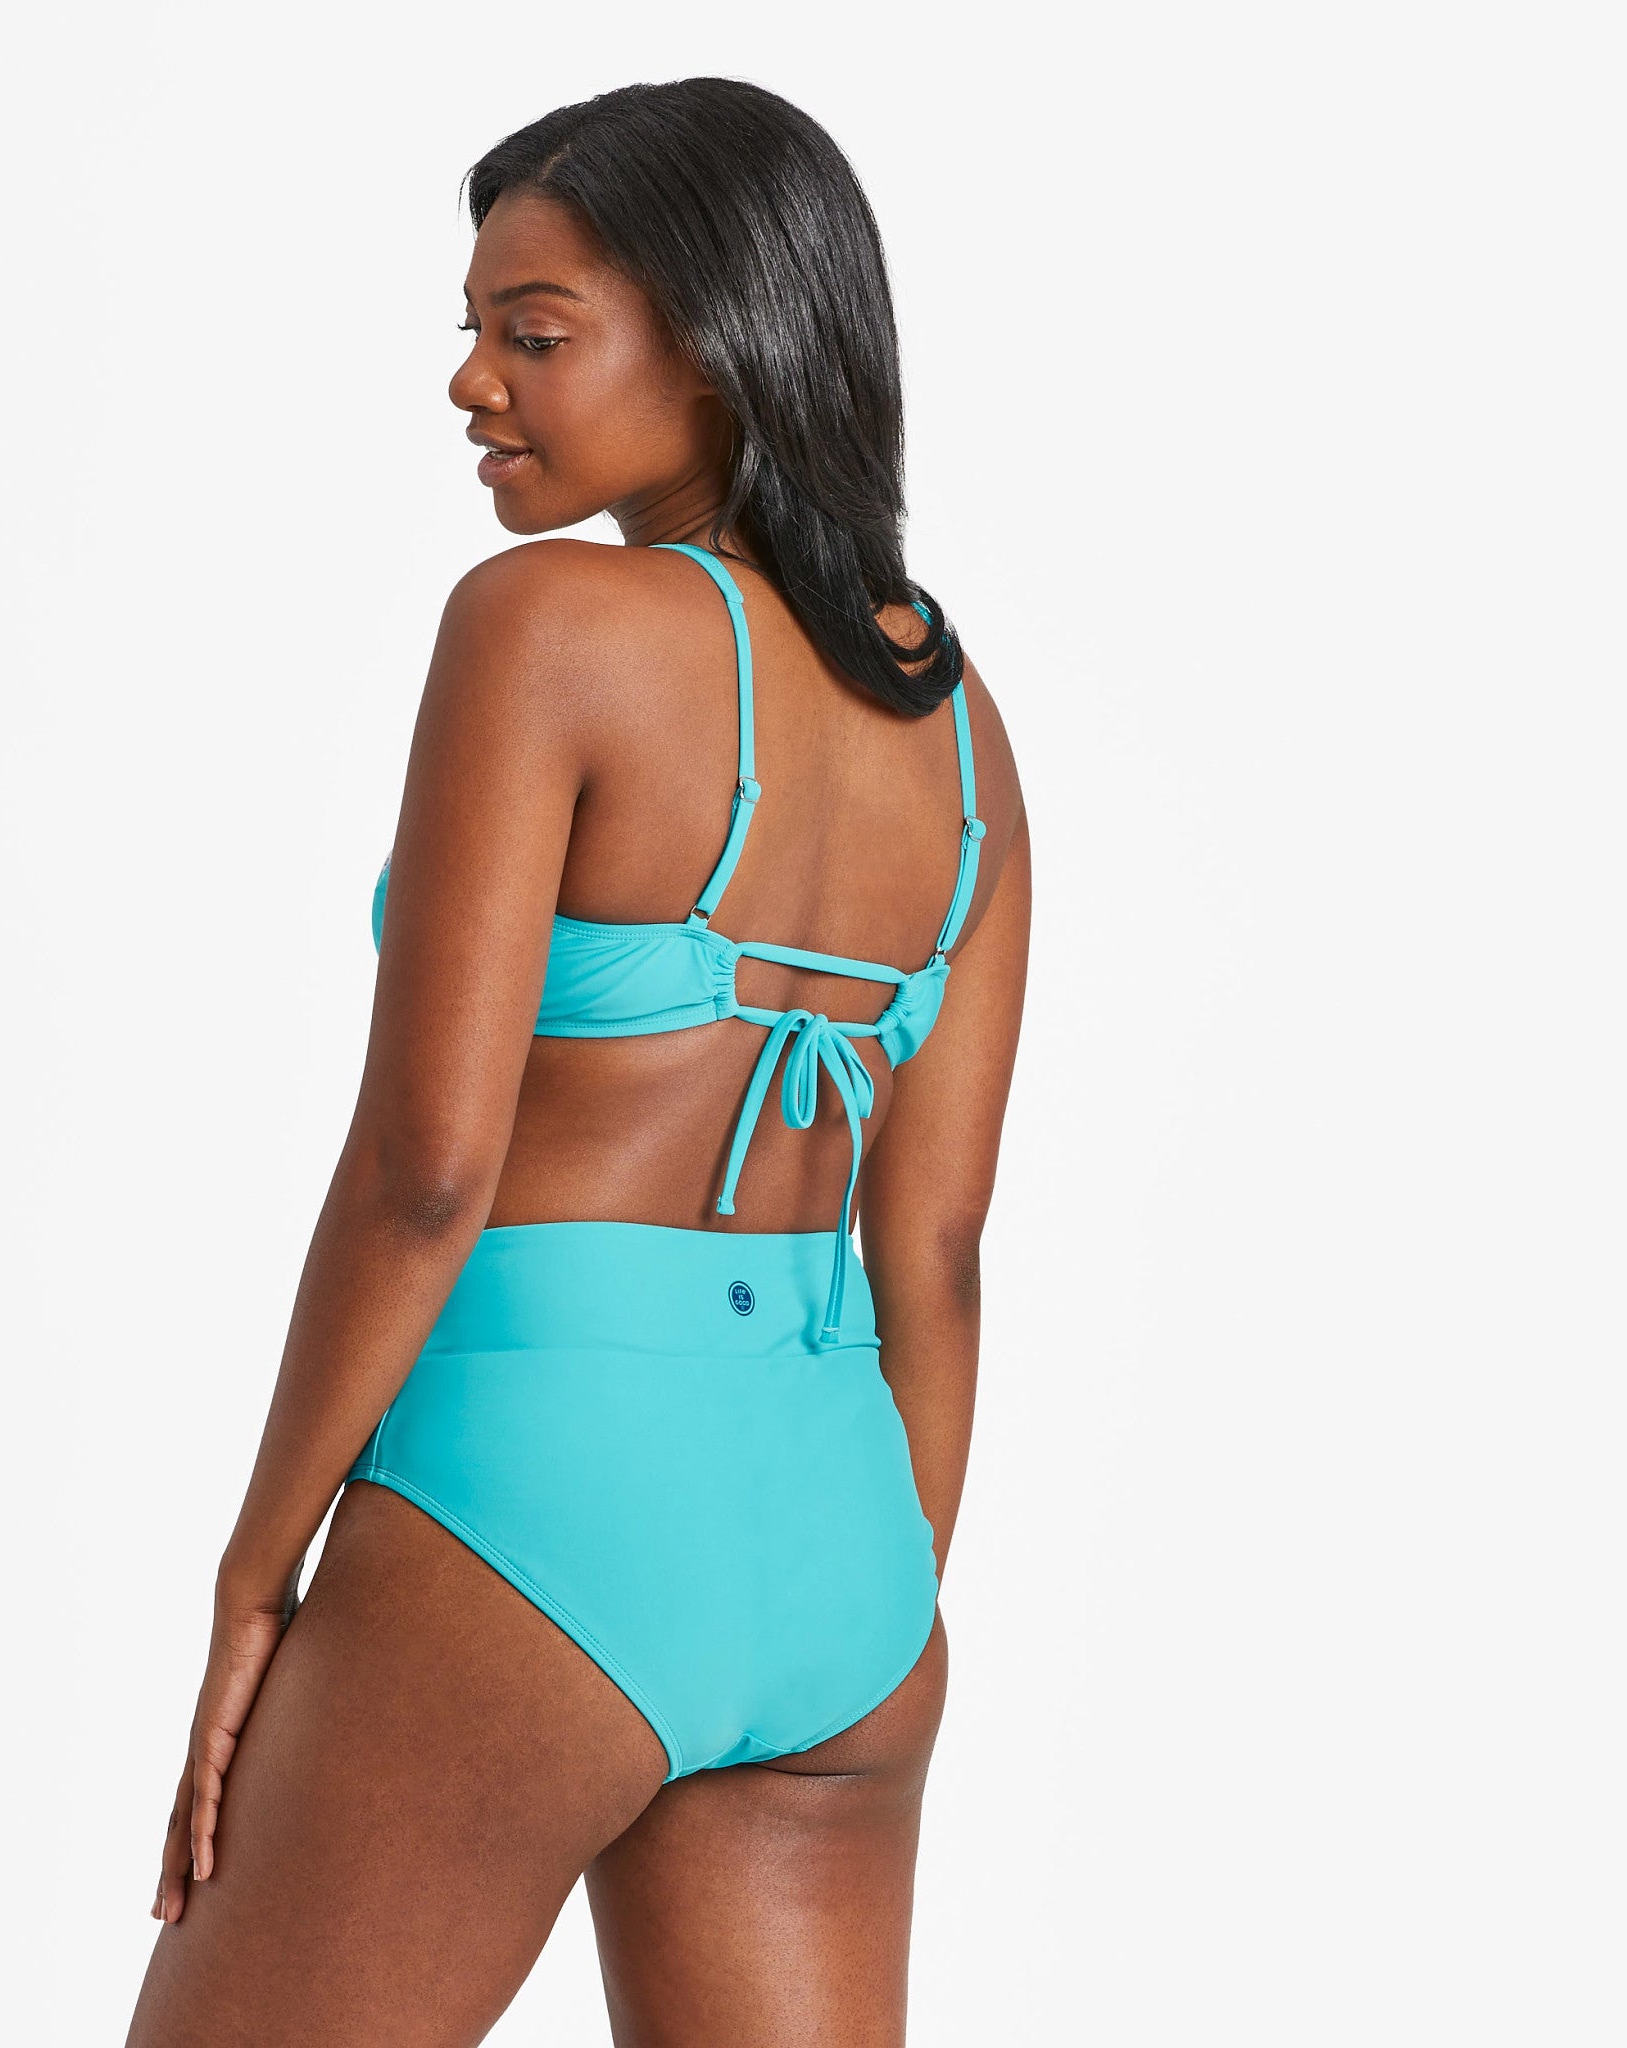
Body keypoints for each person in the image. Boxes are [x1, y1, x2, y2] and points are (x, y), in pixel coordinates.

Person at [126, 76, 1032, 2048]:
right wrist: (864, 1588)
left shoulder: (544, 626)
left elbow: (425, 1175)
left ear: (720, 341)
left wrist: (255, 1572)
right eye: (471, 330)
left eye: (532, 334)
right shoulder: (957, 732)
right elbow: (940, 1254)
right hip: (845, 1548)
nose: (473, 383)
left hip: (545, 1496)